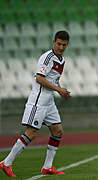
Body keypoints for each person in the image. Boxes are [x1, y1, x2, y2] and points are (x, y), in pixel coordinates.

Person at [0, 31, 71, 177]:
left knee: (58, 131)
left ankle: (47, 167)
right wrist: (58, 89)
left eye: (64, 45)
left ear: (67, 44)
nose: (61, 47)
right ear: (53, 42)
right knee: (31, 133)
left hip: (49, 101)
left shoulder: (61, 60)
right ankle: (6, 163)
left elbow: (52, 79)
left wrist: (60, 90)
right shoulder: (48, 57)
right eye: (59, 44)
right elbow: (39, 78)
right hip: (38, 100)